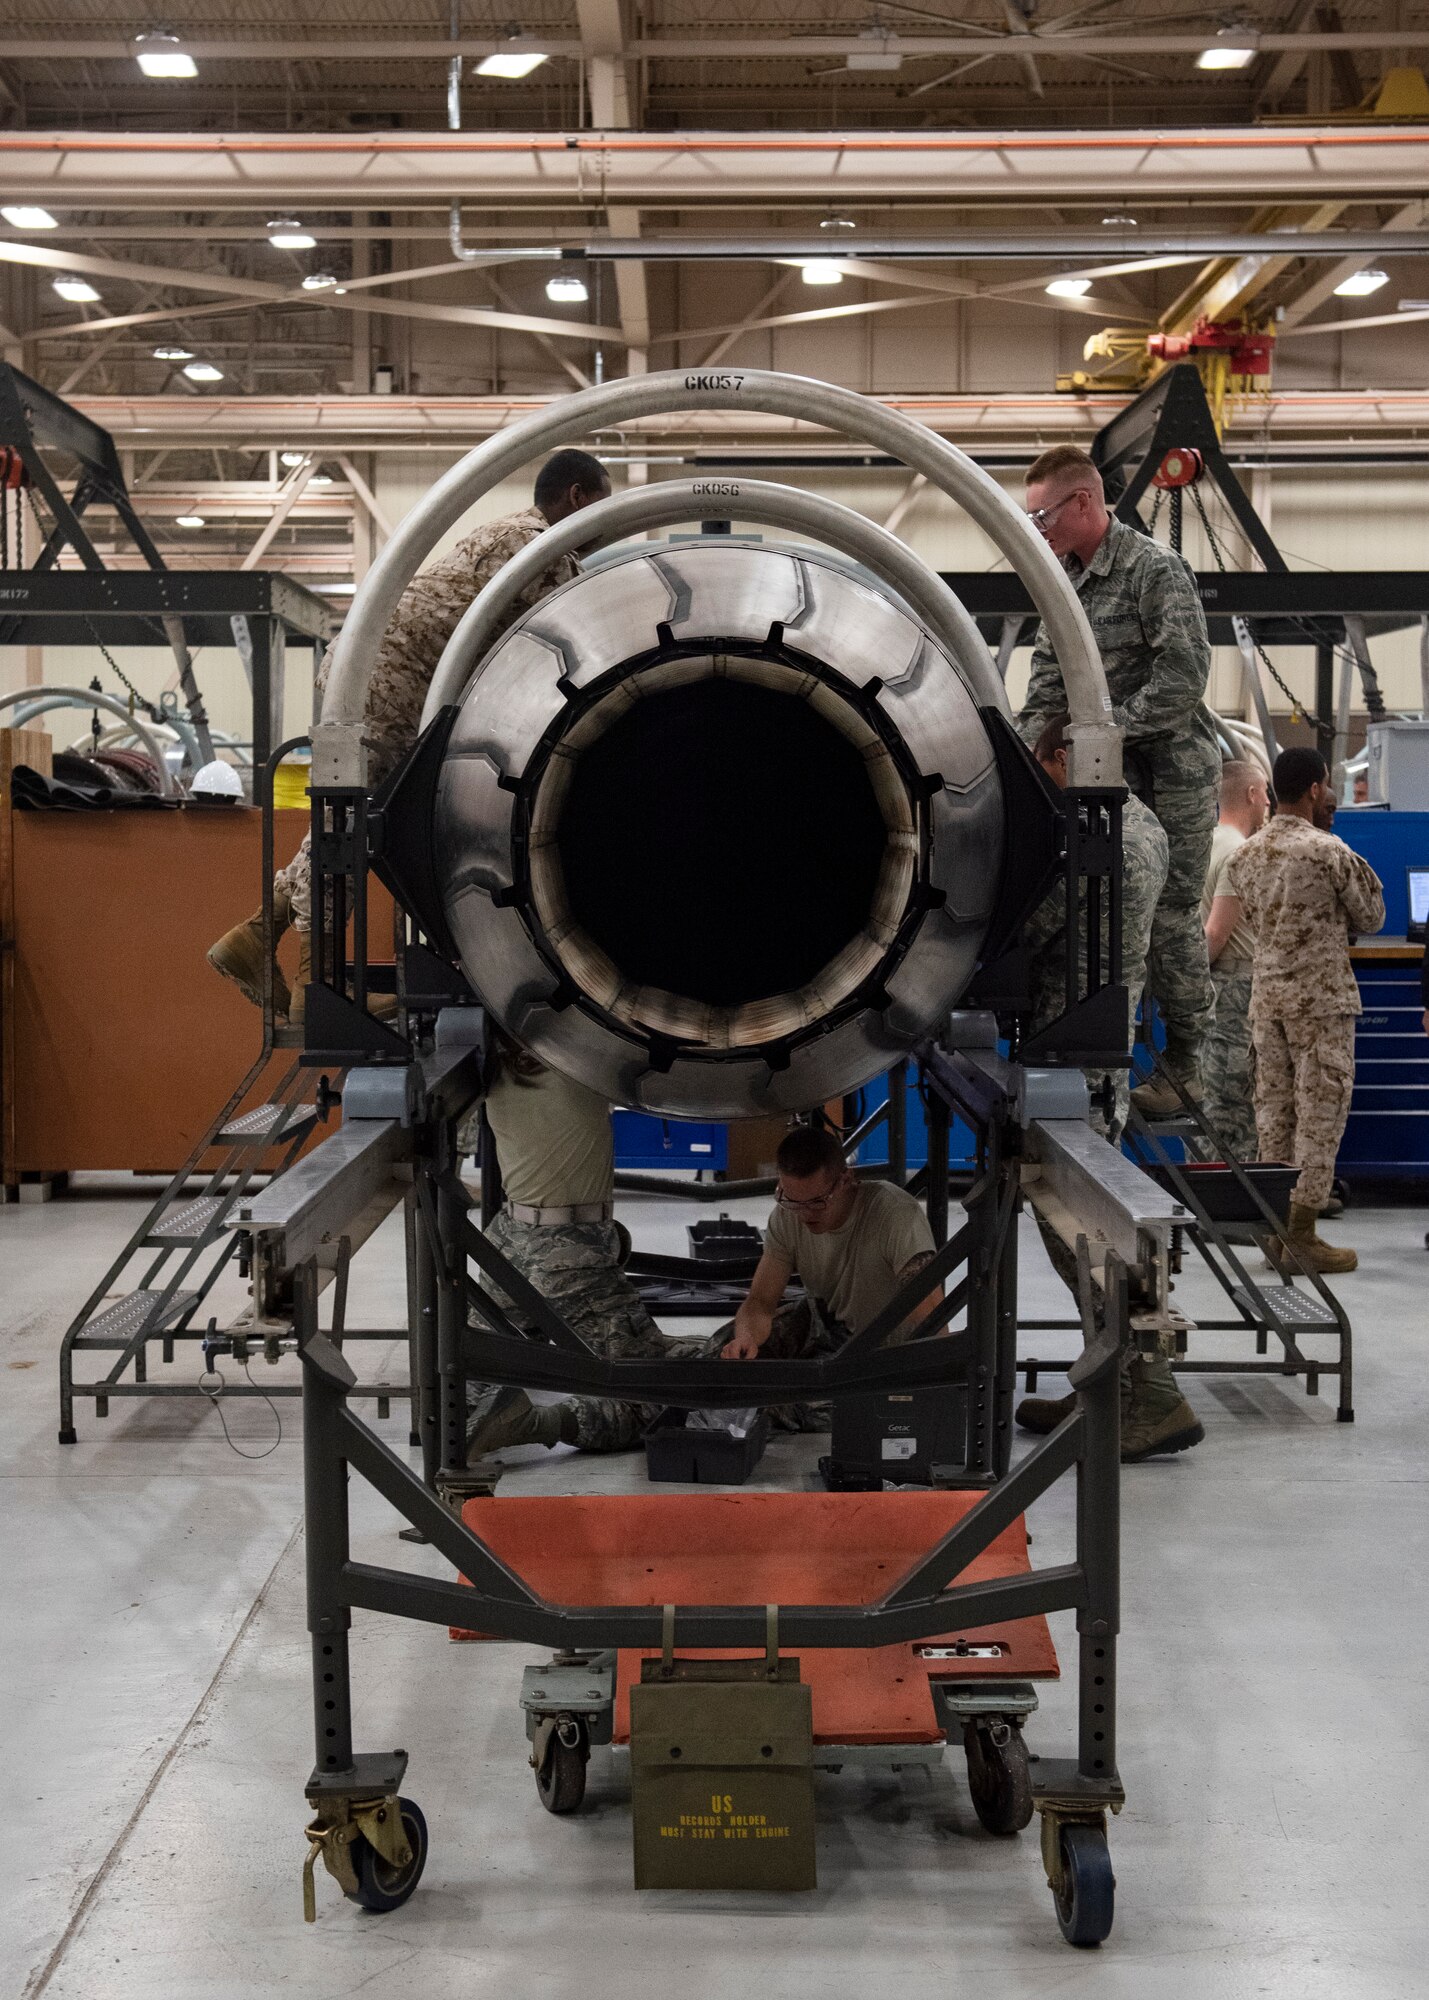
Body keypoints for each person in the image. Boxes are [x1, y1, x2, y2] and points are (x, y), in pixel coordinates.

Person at [206, 448, 612, 1022]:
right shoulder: (543, 553)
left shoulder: (508, 534)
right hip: (389, 681)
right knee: (352, 823)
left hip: (365, 671)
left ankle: (257, 938)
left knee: (343, 818)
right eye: (604, 501)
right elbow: (566, 652)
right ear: (578, 497)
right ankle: (312, 988)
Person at [1014, 715, 1204, 1462]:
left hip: (1074, 1055)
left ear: (1066, 758)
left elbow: (1033, 929)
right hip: (1096, 1044)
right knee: (1082, 1226)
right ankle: (1108, 1383)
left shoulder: (1094, 837)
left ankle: (1149, 1392)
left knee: (1083, 1233)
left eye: (1041, 769)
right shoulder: (1144, 822)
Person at [1017, 445, 1218, 1119]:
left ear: (1082, 502)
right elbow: (1046, 686)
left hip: (1169, 770)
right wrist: (1020, 760)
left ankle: (1187, 1066)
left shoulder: (1151, 570)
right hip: (1098, 773)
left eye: (1042, 515)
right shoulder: (1062, 585)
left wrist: (1102, 736)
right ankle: (1110, 1045)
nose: (1036, 530)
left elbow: (1182, 682)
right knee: (1101, 915)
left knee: (1169, 915)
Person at [463, 1032, 677, 1459]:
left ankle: (467, 1410)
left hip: (507, 1246)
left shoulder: (493, 1064)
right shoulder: (586, 1059)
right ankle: (535, 1423)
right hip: (571, 1255)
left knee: (472, 1362)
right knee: (654, 1398)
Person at [1226, 746, 1384, 1275]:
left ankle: (1274, 1231)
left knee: (1274, 1113)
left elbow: (1252, 915)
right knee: (1320, 1113)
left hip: (1266, 1001)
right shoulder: (1328, 850)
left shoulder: (1244, 856)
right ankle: (1302, 1236)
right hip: (1321, 1002)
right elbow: (1372, 915)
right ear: (1316, 789)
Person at [718, 1124, 940, 1383]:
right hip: (831, 1330)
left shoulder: (895, 1215)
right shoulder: (787, 1216)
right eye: (790, 1199)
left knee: (807, 1408)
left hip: (886, 1352)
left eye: (817, 1203)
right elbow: (760, 1301)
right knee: (726, 1354)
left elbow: (931, 1317)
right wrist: (746, 1337)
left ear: (846, 1180)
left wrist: (930, 1388)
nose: (803, 1215)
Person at [1195, 759, 1271, 1163]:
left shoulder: (1204, 843)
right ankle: (1231, 1208)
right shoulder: (1240, 853)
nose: (1267, 804)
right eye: (1265, 794)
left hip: (1214, 989)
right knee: (1233, 1104)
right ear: (1251, 795)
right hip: (1235, 989)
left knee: (1213, 1093)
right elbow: (1216, 933)